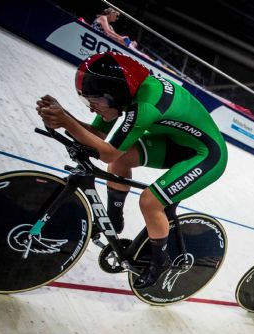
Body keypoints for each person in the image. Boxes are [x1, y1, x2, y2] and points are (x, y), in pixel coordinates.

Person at [36, 51, 228, 288]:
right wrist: (64, 117)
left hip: (207, 155)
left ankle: (161, 261)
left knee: (150, 201)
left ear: (115, 95)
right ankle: (114, 221)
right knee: (122, 160)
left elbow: (106, 151)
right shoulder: (126, 94)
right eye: (87, 102)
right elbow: (100, 136)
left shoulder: (144, 106)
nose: (91, 110)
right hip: (176, 144)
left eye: (94, 103)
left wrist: (67, 122)